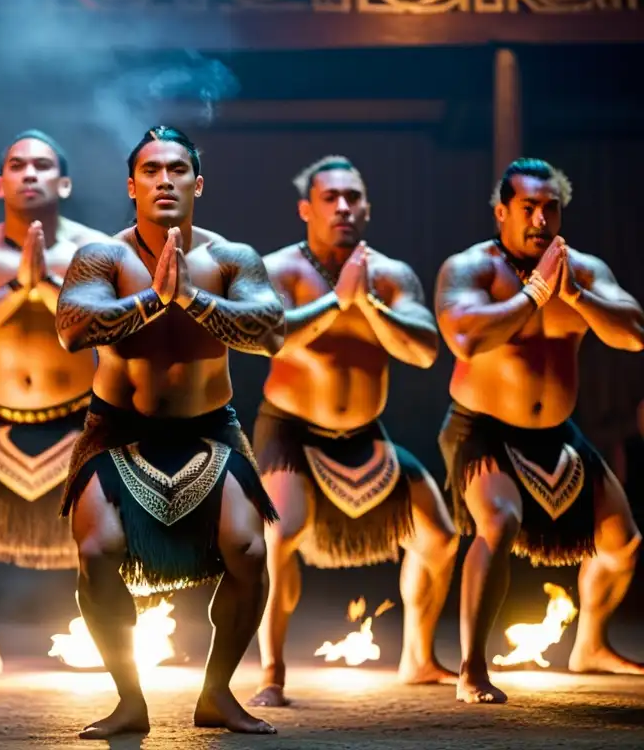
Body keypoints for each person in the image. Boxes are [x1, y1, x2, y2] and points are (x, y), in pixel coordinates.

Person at [56, 126, 285, 739]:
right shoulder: (102, 257)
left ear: (197, 183)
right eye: (151, 170)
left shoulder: (232, 257)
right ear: (131, 185)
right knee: (97, 552)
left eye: (178, 169)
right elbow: (74, 329)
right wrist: (157, 300)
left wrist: (191, 298)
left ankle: (216, 695)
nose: (165, 179)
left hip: (210, 430)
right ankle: (129, 699)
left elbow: (269, 331)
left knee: (248, 551)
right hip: (116, 431)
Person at [249, 156, 458, 708]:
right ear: (305, 209)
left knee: (440, 536)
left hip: (365, 432)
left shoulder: (389, 275)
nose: (343, 207)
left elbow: (424, 349)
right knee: (281, 531)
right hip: (290, 430)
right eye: (330, 197)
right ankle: (271, 670)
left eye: (354, 197)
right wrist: (335, 302)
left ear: (367, 208)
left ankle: (418, 655)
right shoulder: (279, 269)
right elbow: (268, 337)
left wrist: (366, 304)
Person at [435, 157, 644, 704]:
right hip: (482, 428)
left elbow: (635, 333)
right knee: (498, 523)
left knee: (622, 544)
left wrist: (575, 296)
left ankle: (591, 645)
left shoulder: (582, 272)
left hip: (557, 434)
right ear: (502, 211)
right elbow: (465, 340)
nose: (540, 218)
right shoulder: (471, 268)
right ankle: (472, 669)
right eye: (528, 207)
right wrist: (533, 295)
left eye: (551, 207)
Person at [0, 130, 111, 681]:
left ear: (63, 182)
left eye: (42, 165)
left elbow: (110, 329)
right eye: (17, 165)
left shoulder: (97, 249)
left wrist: (51, 286)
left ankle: (121, 653)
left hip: (80, 420)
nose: (29, 173)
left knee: (116, 535)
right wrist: (19, 287)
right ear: (1, 183)